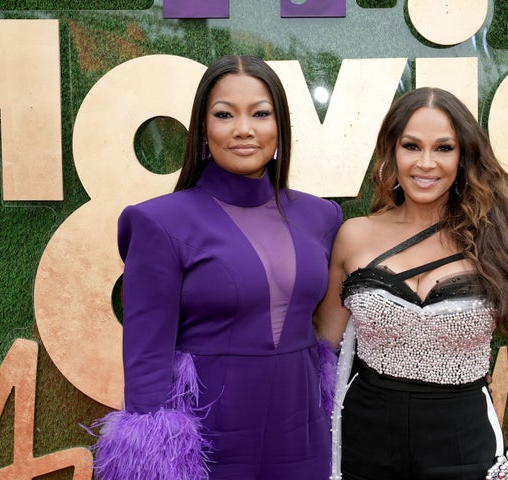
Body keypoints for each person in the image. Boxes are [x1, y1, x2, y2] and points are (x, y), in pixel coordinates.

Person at [90, 55, 342, 480]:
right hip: (207, 445)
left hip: (303, 436)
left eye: (260, 114)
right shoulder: (157, 222)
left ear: (280, 127)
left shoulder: (322, 217)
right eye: (225, 114)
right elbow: (146, 361)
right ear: (203, 131)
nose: (244, 128)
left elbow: (325, 328)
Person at [315, 87, 508, 480]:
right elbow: (321, 350)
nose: (426, 163)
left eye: (444, 148)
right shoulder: (354, 236)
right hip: (362, 440)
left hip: (464, 443)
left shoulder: (503, 242)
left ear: (464, 155)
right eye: (412, 146)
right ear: (391, 152)